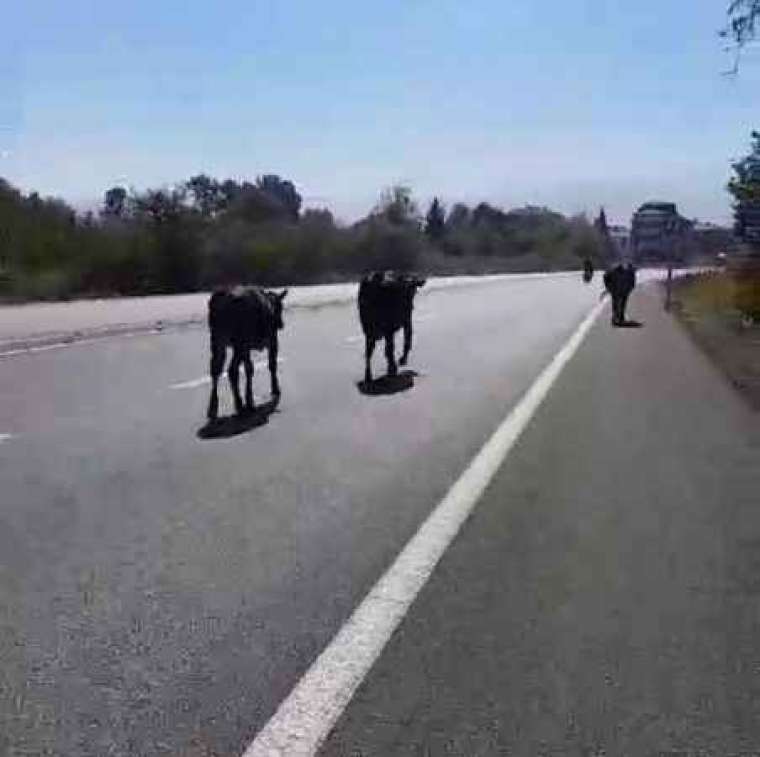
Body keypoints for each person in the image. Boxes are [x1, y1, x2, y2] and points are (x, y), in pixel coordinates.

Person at [603, 261, 636, 326]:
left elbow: (633, 283)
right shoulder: (613, 271)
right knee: (616, 304)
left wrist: (629, 289)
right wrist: (609, 287)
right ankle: (615, 318)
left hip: (624, 291)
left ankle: (620, 317)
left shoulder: (630, 273)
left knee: (622, 305)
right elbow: (606, 277)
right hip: (616, 290)